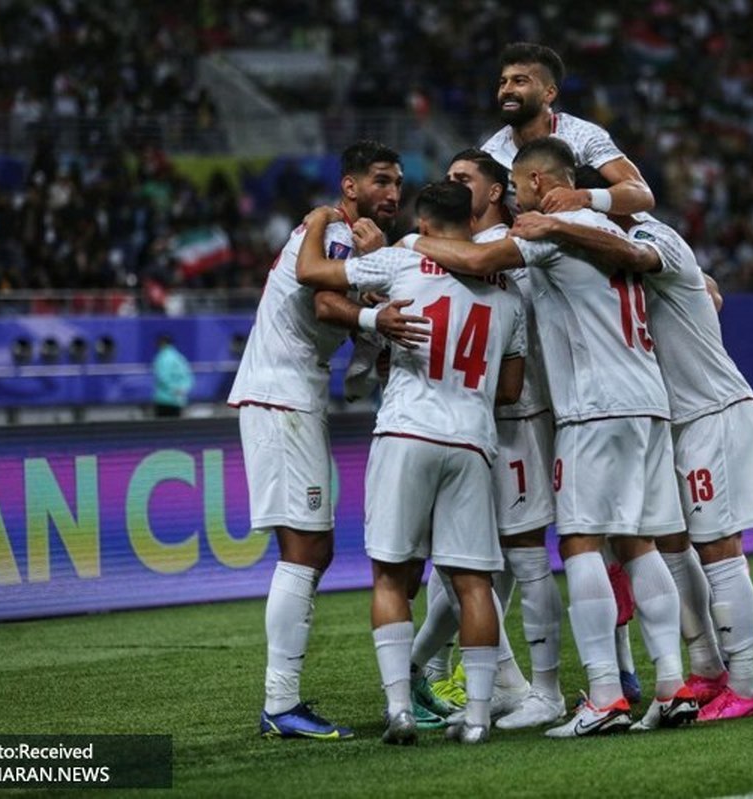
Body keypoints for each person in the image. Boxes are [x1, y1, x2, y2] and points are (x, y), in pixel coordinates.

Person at [408, 137, 698, 737]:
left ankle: (604, 697)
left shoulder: (548, 230)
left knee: (581, 544)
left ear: (538, 182)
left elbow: (480, 261)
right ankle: (672, 687)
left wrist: (410, 244)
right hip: (647, 402)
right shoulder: (616, 230)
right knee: (637, 544)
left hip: (593, 408)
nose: (517, 200)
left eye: (517, 187)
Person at [510, 204, 753, 723]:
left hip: (710, 408)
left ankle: (745, 685)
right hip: (668, 414)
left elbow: (692, 281)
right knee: (671, 542)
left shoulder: (654, 237)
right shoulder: (607, 259)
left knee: (719, 547)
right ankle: (706, 668)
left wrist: (559, 225)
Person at [295, 181, 527, 745]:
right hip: (472, 441)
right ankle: (477, 718)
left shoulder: (401, 261)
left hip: (406, 431)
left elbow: (311, 275)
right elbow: (510, 390)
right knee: (474, 583)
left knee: (391, 575)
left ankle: (400, 710)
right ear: (470, 222)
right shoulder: (509, 294)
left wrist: (318, 220)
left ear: (424, 224)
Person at [227, 140, 428, 741]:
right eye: (381, 180)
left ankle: (282, 702)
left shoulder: (342, 235)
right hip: (282, 398)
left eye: (398, 182)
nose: (392, 192)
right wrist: (372, 318)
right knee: (308, 549)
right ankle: (280, 703)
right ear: (350, 186)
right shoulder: (337, 232)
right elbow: (323, 300)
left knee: (310, 548)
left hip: (290, 395)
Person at [408, 149, 565, 730]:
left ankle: (544, 690)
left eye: (463, 178)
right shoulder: (461, 249)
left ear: (495, 192)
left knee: (523, 555)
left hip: (516, 417)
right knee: (462, 563)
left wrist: (409, 242)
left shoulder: (508, 244)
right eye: (447, 177)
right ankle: (482, 679)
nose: (450, 184)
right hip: (467, 423)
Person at [481, 42, 654, 215]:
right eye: (503, 82)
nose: (506, 90)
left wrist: (583, 197)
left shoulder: (582, 135)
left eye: (519, 81)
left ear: (549, 93)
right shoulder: (490, 155)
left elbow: (642, 194)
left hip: (609, 229)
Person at [151, 333, 193, 417]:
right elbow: (188, 377)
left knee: (162, 424)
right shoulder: (179, 357)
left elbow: (162, 377)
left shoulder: (162, 357)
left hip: (164, 400)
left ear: (162, 343)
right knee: (176, 423)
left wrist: (173, 389)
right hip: (178, 400)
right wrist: (183, 389)